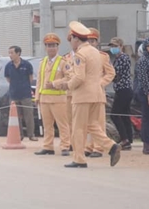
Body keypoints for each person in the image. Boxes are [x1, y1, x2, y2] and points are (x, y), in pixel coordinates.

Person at [49, 21, 120, 168]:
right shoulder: (95, 52)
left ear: (76, 38)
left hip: (82, 96)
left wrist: (67, 85)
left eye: (72, 39)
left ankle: (79, 158)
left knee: (78, 128)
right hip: (97, 94)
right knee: (92, 124)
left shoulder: (80, 54)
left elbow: (79, 77)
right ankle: (111, 146)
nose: (71, 43)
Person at [34, 33, 71, 156]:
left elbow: (69, 77)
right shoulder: (42, 62)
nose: (51, 48)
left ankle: (65, 146)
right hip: (44, 99)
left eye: (53, 45)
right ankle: (48, 146)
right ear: (45, 47)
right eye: (49, 45)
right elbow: (39, 80)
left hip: (58, 98)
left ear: (58, 47)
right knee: (47, 125)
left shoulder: (63, 62)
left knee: (62, 124)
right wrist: (37, 97)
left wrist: (55, 83)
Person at [85, 28, 115, 158]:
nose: (91, 43)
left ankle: (98, 148)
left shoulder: (103, 56)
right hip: (85, 94)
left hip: (97, 94)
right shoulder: (82, 56)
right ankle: (88, 147)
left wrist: (100, 83)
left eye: (93, 41)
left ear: (97, 42)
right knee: (86, 122)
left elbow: (110, 73)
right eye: (88, 40)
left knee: (98, 122)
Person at [4, 45, 37, 141]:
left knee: (28, 115)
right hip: (14, 94)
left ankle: (31, 134)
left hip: (26, 94)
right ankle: (19, 135)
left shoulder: (26, 65)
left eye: (12, 53)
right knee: (16, 116)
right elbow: (8, 78)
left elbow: (30, 78)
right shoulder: (8, 66)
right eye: (9, 53)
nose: (10, 55)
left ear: (18, 53)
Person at [108, 37, 134, 150]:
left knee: (115, 115)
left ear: (121, 46)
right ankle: (128, 138)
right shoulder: (117, 58)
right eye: (112, 46)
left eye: (115, 46)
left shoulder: (123, 58)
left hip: (124, 89)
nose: (113, 48)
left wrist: (106, 76)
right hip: (122, 89)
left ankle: (125, 139)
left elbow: (115, 74)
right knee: (124, 115)